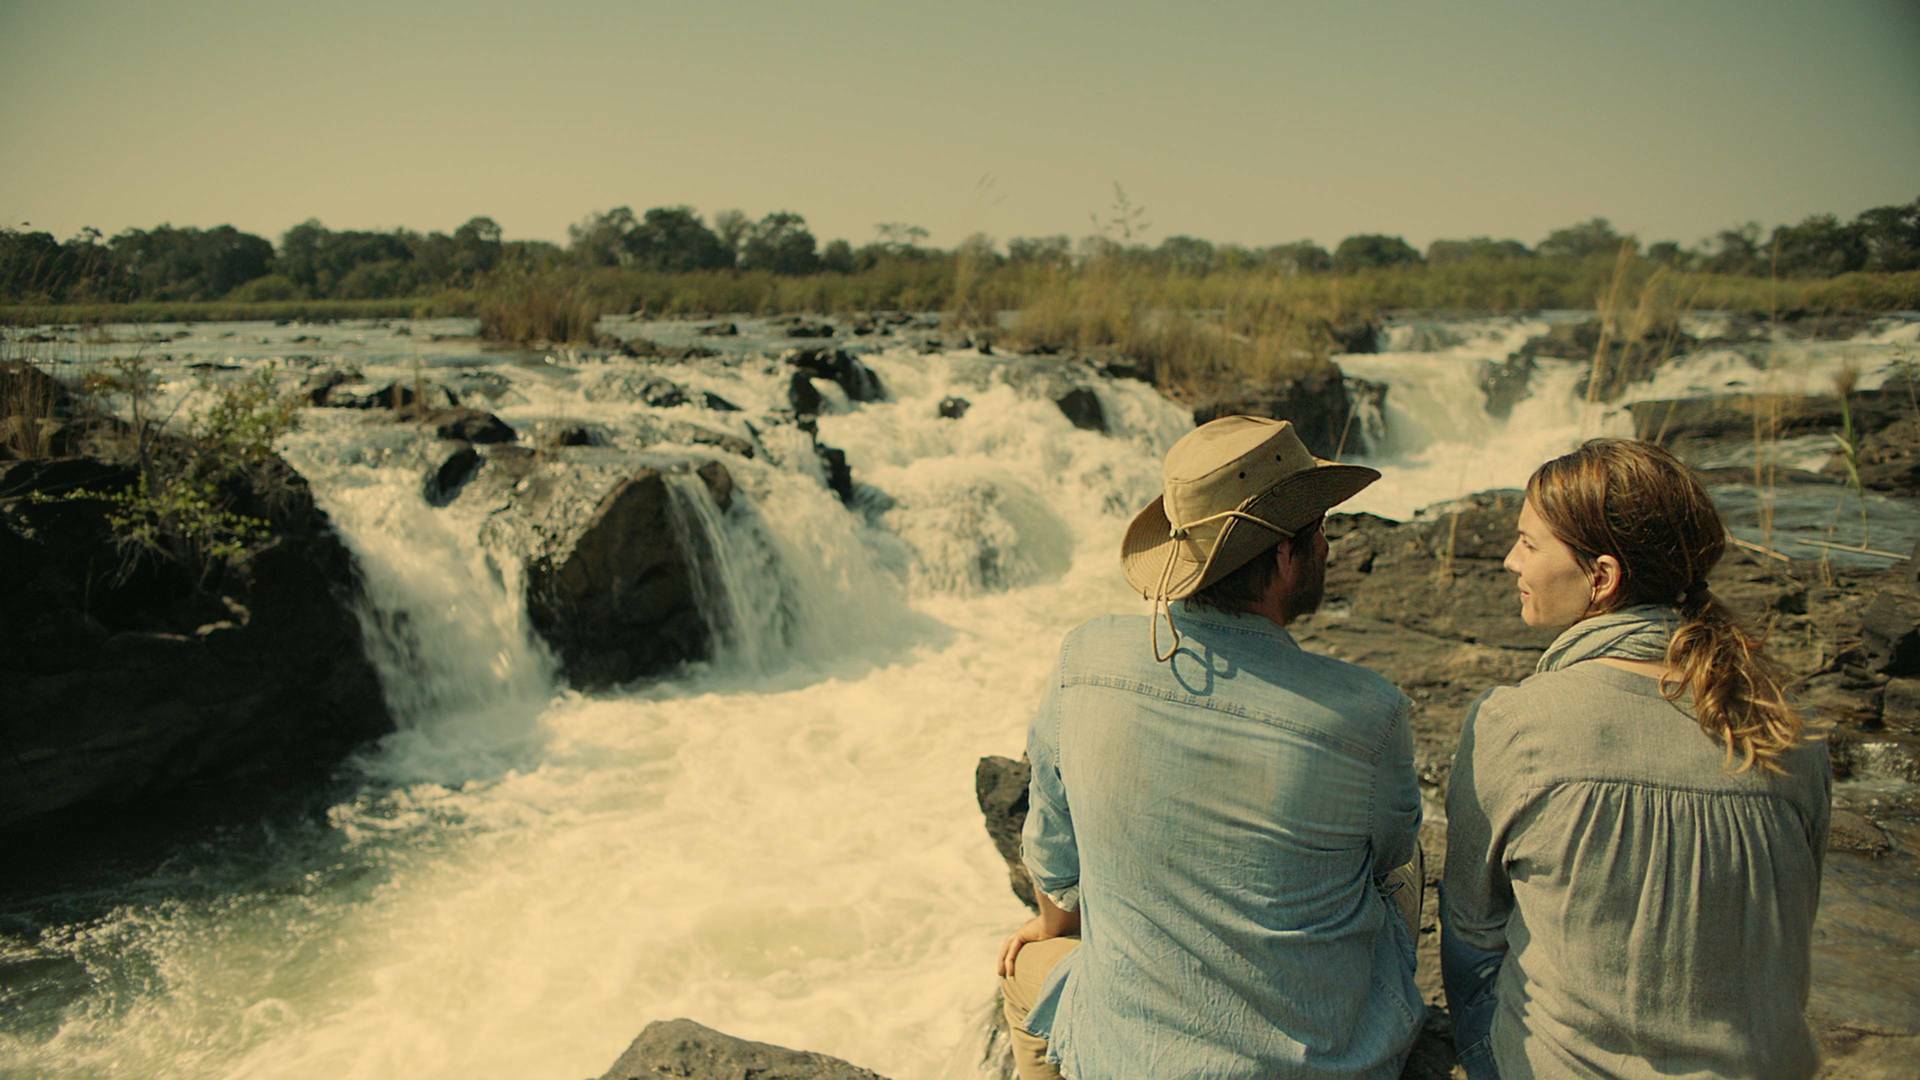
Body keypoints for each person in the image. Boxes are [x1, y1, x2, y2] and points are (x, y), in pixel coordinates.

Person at [997, 415, 1424, 1080]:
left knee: (1025, 966)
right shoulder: (1368, 712)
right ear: (1285, 554)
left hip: (1131, 1063)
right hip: (1327, 1066)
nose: (1329, 549)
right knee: (1406, 859)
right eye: (1320, 532)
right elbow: (1389, 861)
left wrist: (1055, 926)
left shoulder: (1084, 658)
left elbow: (1054, 852)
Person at [1441, 439, 1831, 1079]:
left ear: (1601, 577)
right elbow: (1787, 935)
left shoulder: (1516, 722)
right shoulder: (1786, 727)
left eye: (1530, 544)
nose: (1511, 560)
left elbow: (1470, 933)